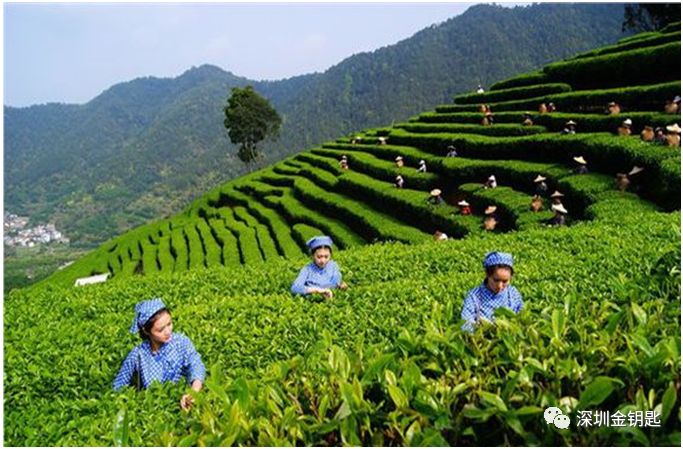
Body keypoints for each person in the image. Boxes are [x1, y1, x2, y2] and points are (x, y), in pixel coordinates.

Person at [113, 298, 206, 411]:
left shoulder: (182, 342)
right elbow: (118, 386)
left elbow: (196, 366)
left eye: (169, 324)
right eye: (160, 330)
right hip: (153, 411)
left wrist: (193, 393)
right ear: (147, 331)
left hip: (183, 407)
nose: (168, 331)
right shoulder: (138, 355)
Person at [460, 252, 523, 332]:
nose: (500, 286)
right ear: (487, 275)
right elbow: (466, 323)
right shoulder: (474, 296)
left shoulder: (513, 294)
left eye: (505, 281)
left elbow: (522, 318)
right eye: (496, 280)